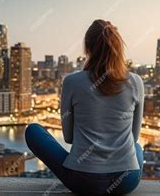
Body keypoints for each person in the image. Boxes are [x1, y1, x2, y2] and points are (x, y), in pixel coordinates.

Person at [25, 19, 144, 195]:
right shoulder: (136, 82)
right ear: (119, 49)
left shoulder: (72, 81)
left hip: (84, 181)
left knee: (33, 130)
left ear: (87, 49)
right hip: (126, 181)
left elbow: (69, 137)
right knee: (138, 148)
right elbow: (133, 138)